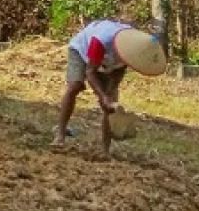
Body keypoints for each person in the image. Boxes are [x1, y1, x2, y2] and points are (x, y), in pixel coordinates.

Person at [53, 20, 166, 156]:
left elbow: (119, 72)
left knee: (110, 104)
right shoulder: (101, 40)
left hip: (108, 63)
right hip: (81, 52)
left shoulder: (133, 49)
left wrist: (109, 94)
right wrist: (102, 95)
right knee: (74, 86)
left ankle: (105, 149)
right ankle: (60, 134)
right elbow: (90, 71)